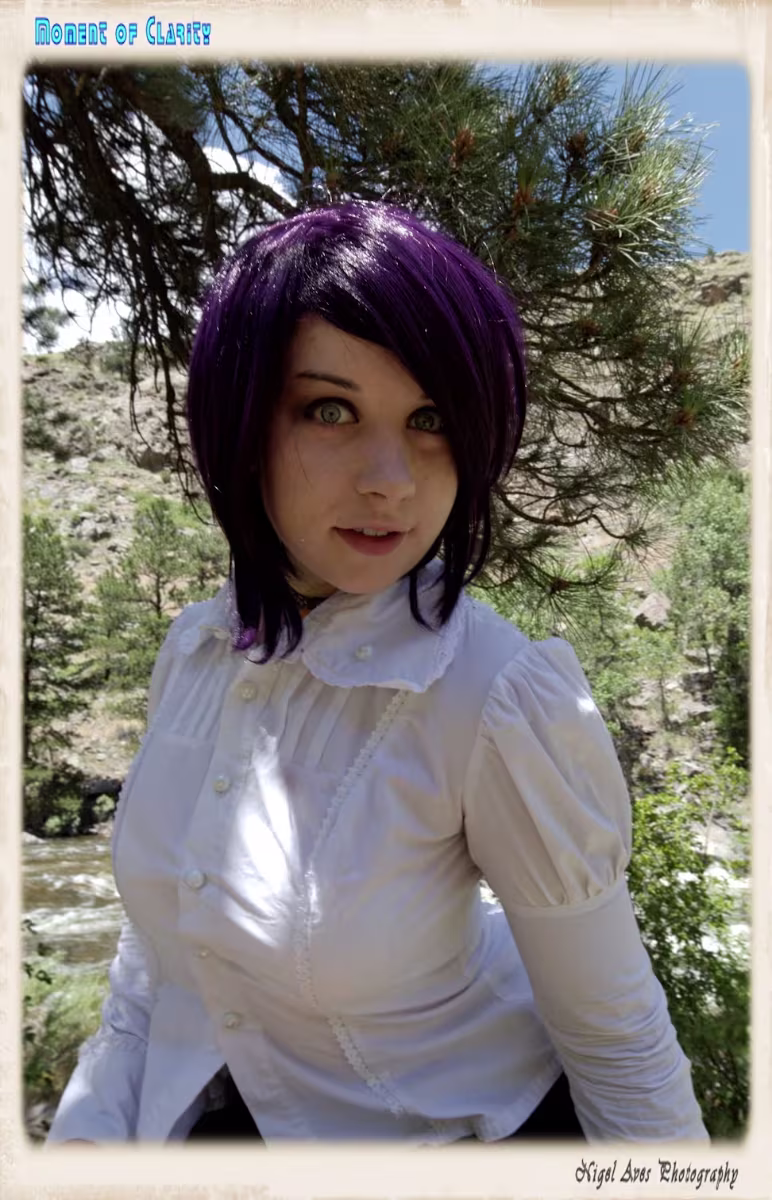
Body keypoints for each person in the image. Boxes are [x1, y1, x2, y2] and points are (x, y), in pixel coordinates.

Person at [47, 201, 708, 1146]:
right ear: (241, 420)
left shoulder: (495, 693)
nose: (391, 479)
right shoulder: (194, 651)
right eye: (330, 410)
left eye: (431, 418)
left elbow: (619, 1043)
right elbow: (159, 958)